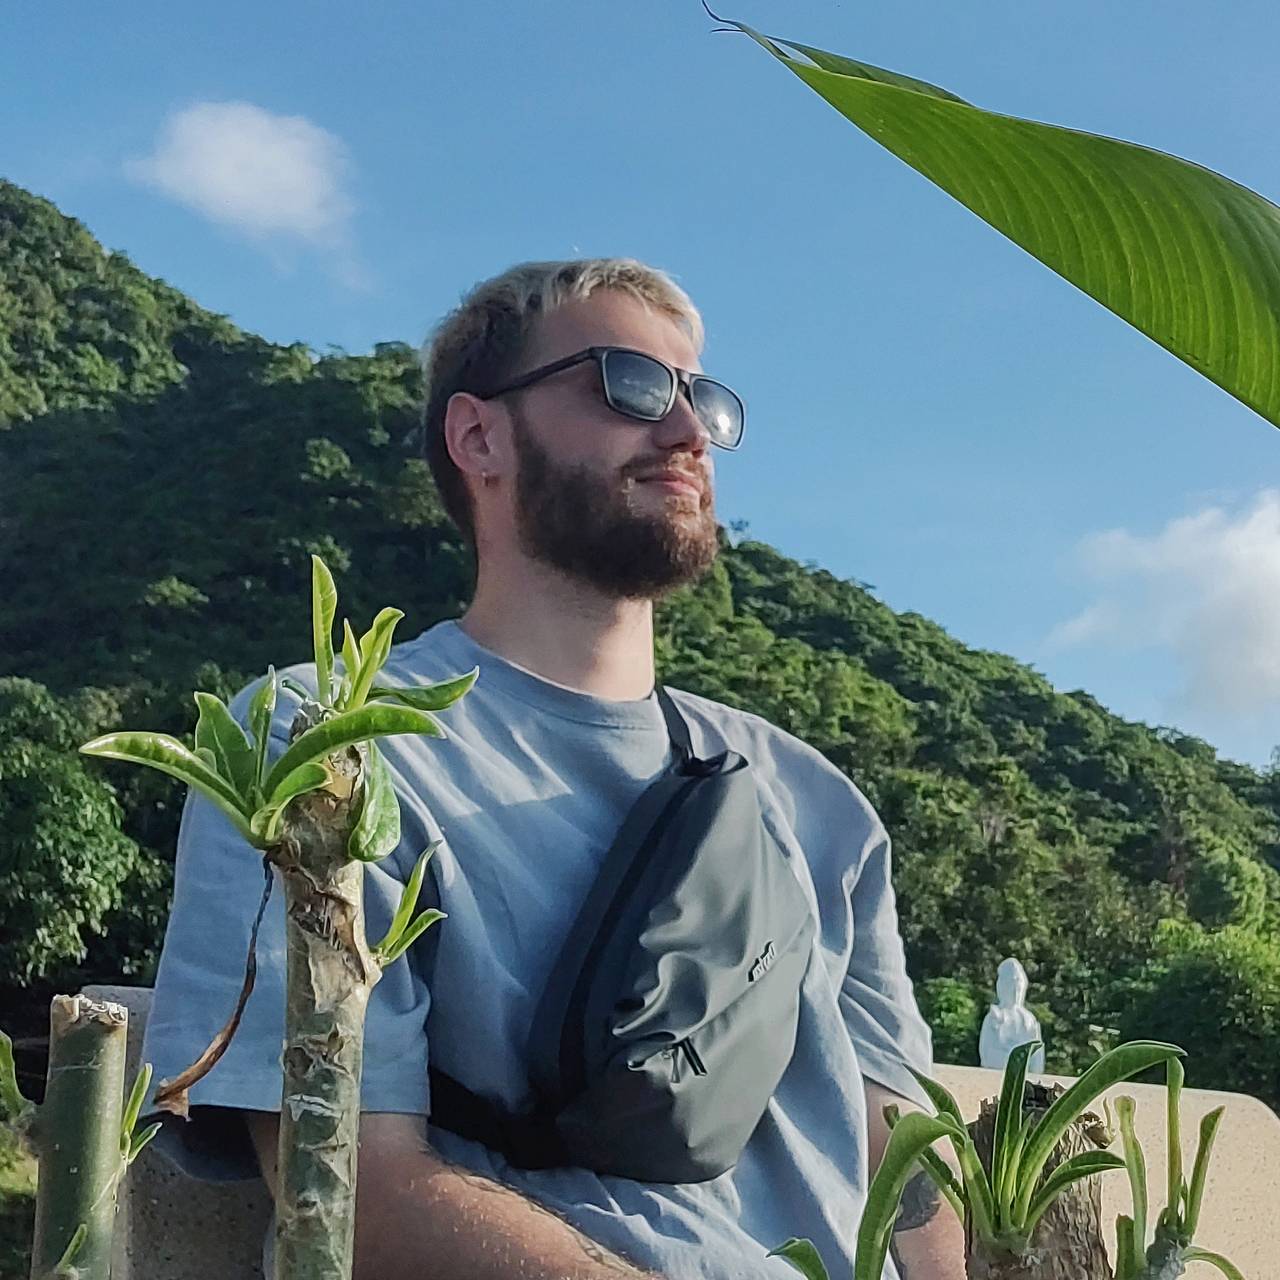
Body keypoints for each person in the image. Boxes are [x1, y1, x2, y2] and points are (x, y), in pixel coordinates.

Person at [142, 259, 966, 1279]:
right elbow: (348, 1180)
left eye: (700, 397)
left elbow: (902, 1154)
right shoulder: (322, 742)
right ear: (477, 434)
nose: (685, 430)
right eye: (627, 383)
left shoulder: (814, 798)